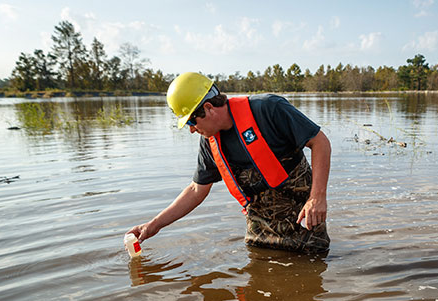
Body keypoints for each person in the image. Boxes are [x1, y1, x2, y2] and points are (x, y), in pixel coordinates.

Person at [127, 72, 331, 253]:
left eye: (191, 121)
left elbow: (320, 142)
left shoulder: (269, 108)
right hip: (259, 232)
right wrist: (154, 225)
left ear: (208, 108)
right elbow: (196, 190)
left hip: (304, 220)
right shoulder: (210, 142)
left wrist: (317, 198)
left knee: (314, 272)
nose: (191, 129)